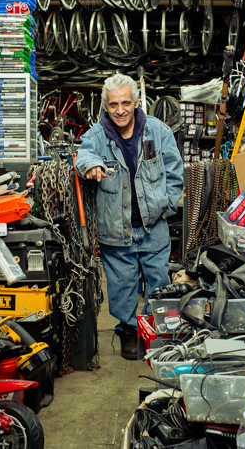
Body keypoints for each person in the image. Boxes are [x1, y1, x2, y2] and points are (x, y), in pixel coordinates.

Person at [75, 73, 183, 360]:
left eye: (125, 102)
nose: (120, 110)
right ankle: (129, 329)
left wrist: (167, 205)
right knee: (121, 284)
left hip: (153, 224)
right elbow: (83, 155)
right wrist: (92, 165)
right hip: (115, 226)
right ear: (106, 107)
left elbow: (174, 172)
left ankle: (153, 327)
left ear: (136, 102)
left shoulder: (158, 132)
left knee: (158, 279)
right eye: (113, 104)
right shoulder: (97, 136)